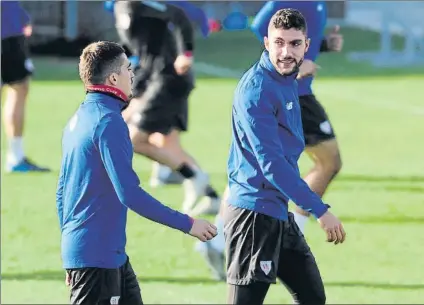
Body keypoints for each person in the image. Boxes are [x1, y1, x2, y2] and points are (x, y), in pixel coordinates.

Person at [56, 41, 217, 305]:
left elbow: (62, 191)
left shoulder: (79, 117)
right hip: (97, 258)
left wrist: (70, 254)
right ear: (113, 78)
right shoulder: (108, 123)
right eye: (128, 69)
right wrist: (188, 224)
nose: (133, 75)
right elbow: (130, 194)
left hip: (106, 255)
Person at [224, 9, 346, 305]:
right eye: (279, 43)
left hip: (278, 213)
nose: (285, 52)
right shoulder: (258, 90)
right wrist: (319, 209)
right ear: (266, 43)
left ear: (306, 45)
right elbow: (272, 165)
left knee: (313, 298)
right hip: (253, 216)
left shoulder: (287, 79)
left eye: (294, 44)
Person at [112, 0, 221, 217]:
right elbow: (140, 53)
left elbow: (180, 17)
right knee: (167, 145)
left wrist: (185, 53)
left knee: (133, 140)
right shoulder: (119, 8)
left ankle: (193, 177)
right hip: (153, 79)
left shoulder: (144, 5)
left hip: (168, 79)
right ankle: (212, 197)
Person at [251, 1, 344, 234]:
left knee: (260, 169)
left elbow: (297, 37)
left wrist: (323, 45)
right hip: (295, 94)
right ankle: (290, 233)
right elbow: (260, 26)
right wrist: (292, 63)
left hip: (294, 93)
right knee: (328, 162)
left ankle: (221, 237)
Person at [1, 1, 50, 172]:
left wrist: (21, 16)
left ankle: (16, 155)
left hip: (10, 29)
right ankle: (15, 157)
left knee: (19, 87)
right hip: (6, 33)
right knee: (18, 87)